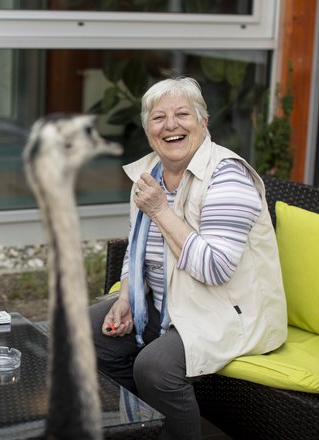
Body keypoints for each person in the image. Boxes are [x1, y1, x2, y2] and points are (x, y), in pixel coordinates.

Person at [89, 77, 287, 440]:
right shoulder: (150, 173)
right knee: (83, 334)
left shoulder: (228, 177)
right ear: (148, 129)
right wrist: (126, 297)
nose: (171, 125)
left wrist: (161, 211)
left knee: (156, 367)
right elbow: (136, 249)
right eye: (158, 118)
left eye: (182, 114)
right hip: (168, 303)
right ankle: (138, 427)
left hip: (226, 311)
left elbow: (214, 269)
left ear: (203, 122)